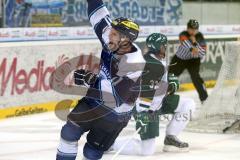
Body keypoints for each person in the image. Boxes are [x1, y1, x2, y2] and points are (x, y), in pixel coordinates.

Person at [56, 0, 145, 159]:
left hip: (116, 113)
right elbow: (98, 13)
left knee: (92, 152)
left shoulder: (133, 63)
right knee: (69, 132)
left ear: (124, 40)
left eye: (113, 33)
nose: (108, 34)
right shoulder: (112, 38)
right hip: (95, 101)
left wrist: (79, 77)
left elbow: (115, 98)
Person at [111, 33, 196, 156]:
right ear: (160, 47)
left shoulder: (155, 60)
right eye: (164, 45)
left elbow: (156, 86)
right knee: (147, 151)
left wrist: (170, 85)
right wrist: (142, 113)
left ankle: (170, 138)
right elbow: (145, 91)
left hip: (158, 103)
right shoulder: (152, 65)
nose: (165, 47)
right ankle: (110, 143)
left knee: (188, 104)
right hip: (146, 108)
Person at [169, 19, 208, 103]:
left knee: (196, 78)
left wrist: (194, 43)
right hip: (180, 59)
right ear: (187, 28)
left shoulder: (200, 36)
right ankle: (165, 97)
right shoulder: (183, 34)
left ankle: (204, 99)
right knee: (170, 77)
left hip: (194, 61)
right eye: (191, 29)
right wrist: (194, 47)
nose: (193, 31)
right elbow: (186, 44)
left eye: (195, 29)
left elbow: (203, 52)